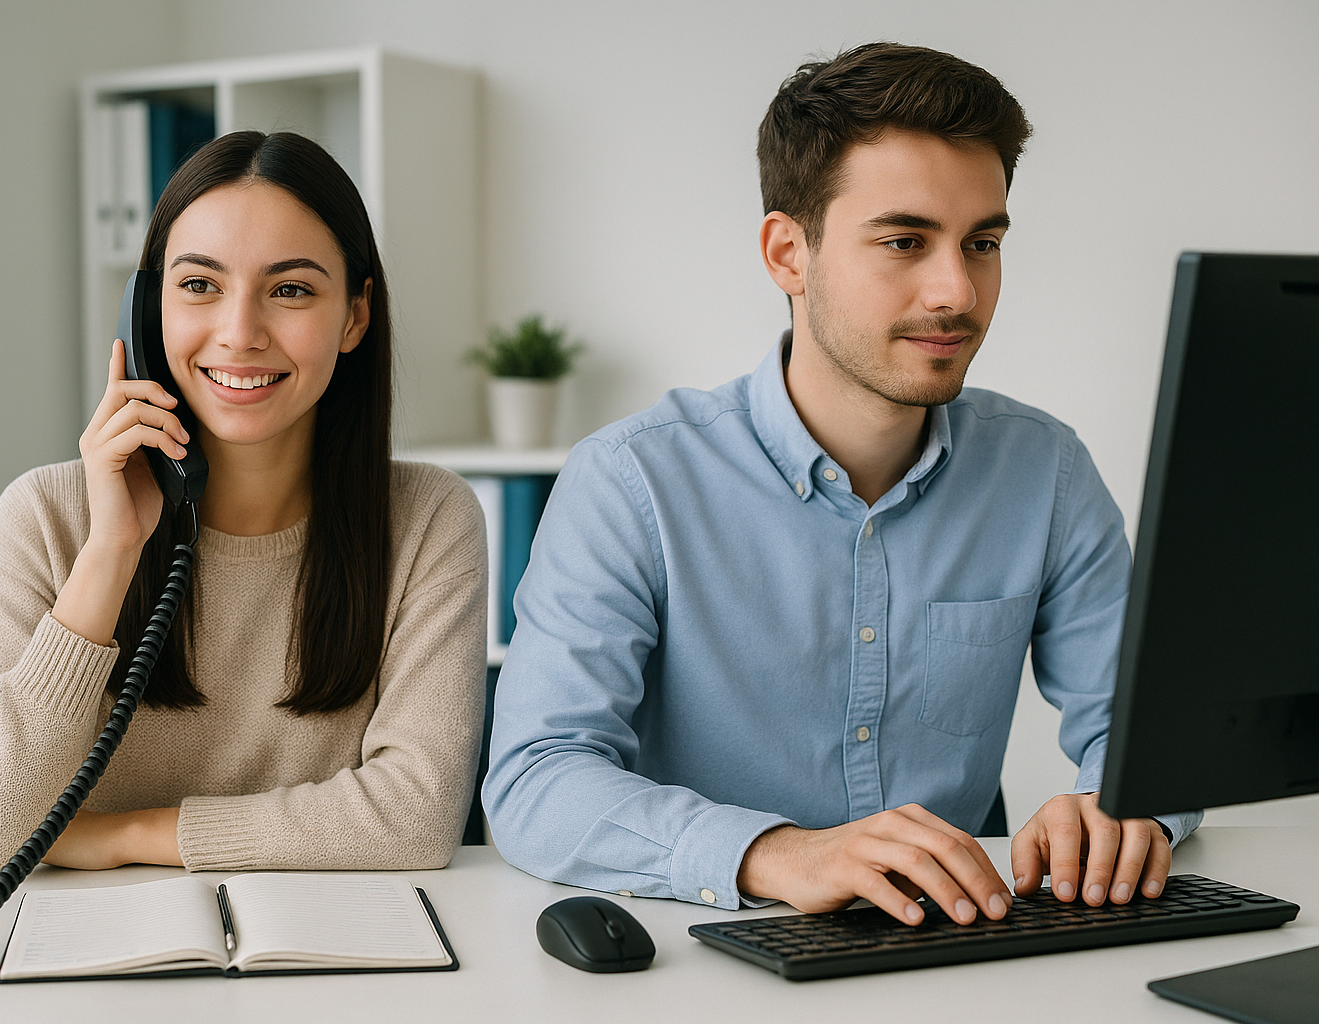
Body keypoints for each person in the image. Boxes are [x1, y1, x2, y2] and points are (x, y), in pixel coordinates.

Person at [483, 43, 1199, 926]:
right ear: (789, 253)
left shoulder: (1044, 471)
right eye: (905, 241)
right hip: (708, 946)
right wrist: (779, 852)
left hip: (959, 944)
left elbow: (1145, 736)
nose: (957, 290)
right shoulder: (632, 481)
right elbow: (536, 778)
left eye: (982, 244)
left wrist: (1119, 811)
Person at [0, 131, 486, 879]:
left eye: (290, 290)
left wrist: (125, 837)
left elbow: (417, 816)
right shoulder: (44, 517)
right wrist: (110, 551)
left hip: (320, 938)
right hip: (88, 942)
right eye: (198, 285)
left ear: (354, 316)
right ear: (147, 309)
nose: (239, 334)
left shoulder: (428, 520)